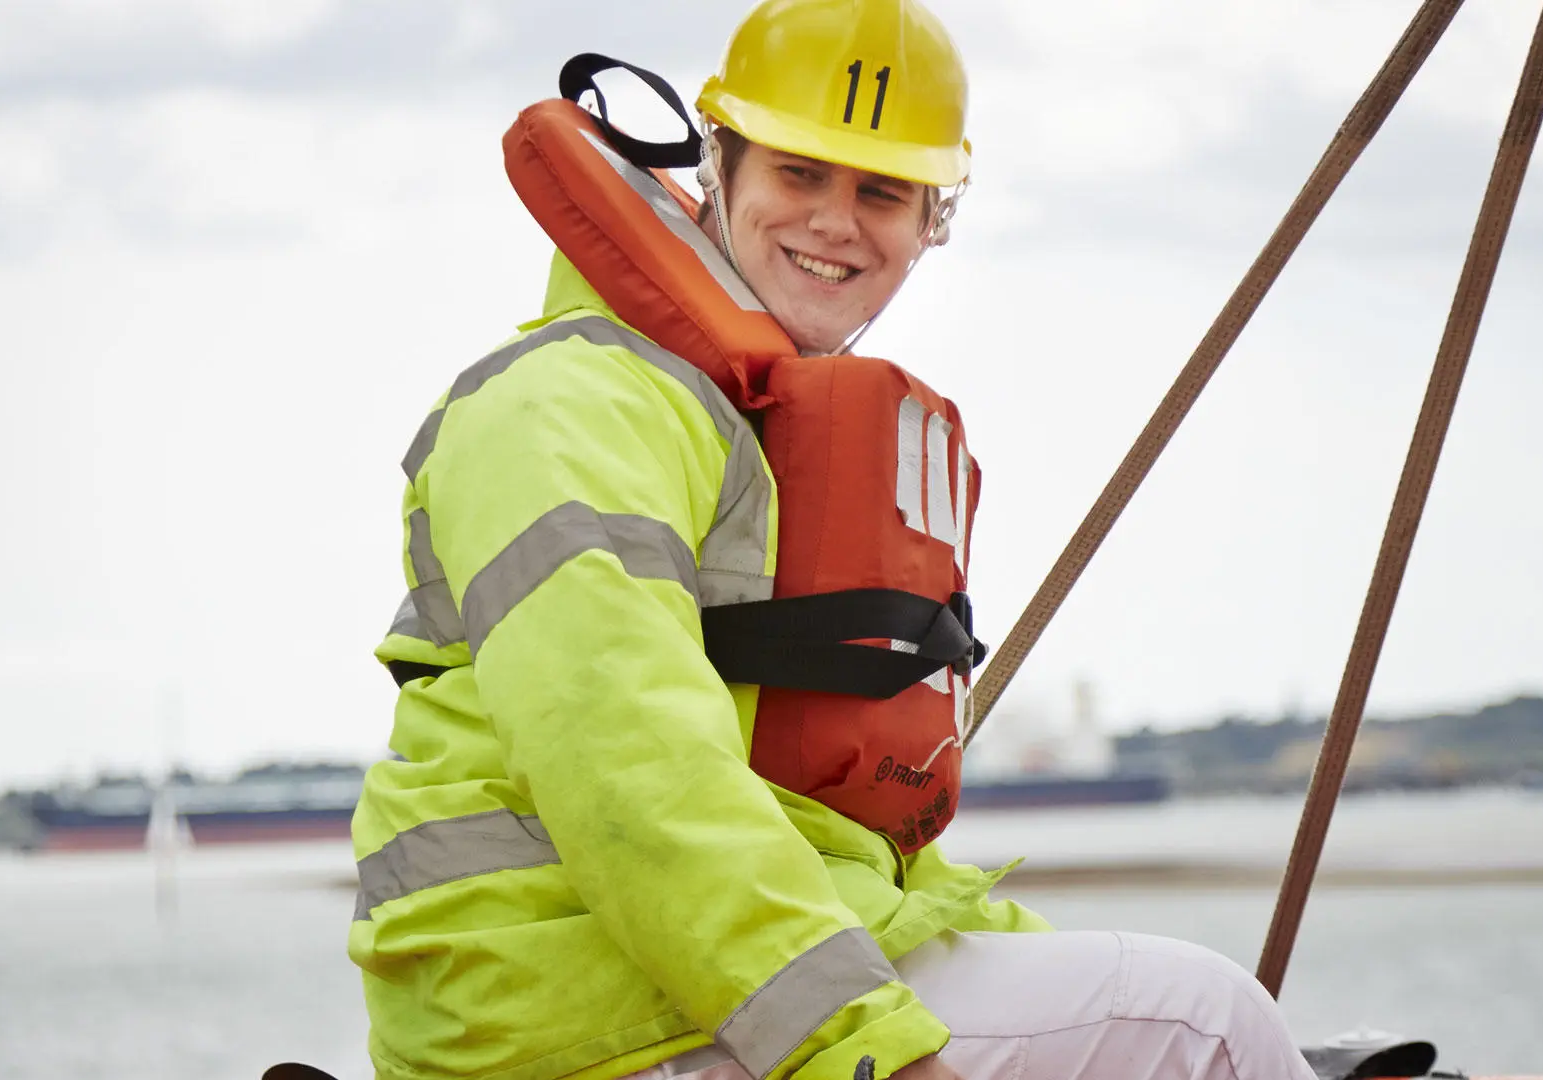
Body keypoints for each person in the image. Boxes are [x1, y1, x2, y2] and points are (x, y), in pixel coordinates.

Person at [348, 3, 1321, 1080]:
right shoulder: (567, 404)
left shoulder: (742, 425)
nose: (835, 222)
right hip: (564, 1018)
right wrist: (862, 1046)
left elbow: (837, 857)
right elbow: (627, 766)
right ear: (719, 163)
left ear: (931, 222)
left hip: (668, 988)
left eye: (881, 192)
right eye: (800, 173)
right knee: (1207, 1025)